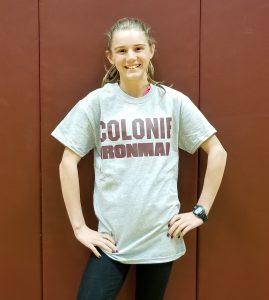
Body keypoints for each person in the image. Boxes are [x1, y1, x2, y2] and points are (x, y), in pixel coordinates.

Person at [51, 17, 227, 300]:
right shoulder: (96, 103)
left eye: (138, 48)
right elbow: (67, 161)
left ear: (151, 50)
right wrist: (80, 228)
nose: (130, 57)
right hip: (113, 242)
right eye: (121, 51)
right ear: (110, 57)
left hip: (161, 239)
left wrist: (200, 212)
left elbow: (218, 152)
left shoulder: (172, 102)